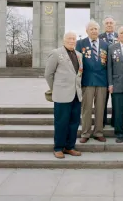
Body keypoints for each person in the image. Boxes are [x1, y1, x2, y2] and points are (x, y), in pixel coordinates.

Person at [44, 31, 83, 159]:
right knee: (61, 122)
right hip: (62, 95)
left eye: (74, 38)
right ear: (64, 40)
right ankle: (58, 147)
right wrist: (54, 88)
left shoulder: (78, 55)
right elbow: (48, 74)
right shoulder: (56, 53)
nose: (72, 41)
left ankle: (70, 146)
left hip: (76, 95)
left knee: (74, 122)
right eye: (69, 38)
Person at [76, 19, 108, 143]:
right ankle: (85, 133)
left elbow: (108, 64)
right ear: (87, 31)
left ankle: (98, 132)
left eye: (96, 29)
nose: (94, 31)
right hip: (87, 81)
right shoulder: (80, 43)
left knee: (100, 109)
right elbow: (77, 62)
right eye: (91, 29)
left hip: (102, 81)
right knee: (86, 109)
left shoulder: (105, 45)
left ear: (99, 31)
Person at [99, 15, 118, 127]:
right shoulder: (99, 37)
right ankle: (102, 121)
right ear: (104, 25)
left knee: (116, 100)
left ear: (115, 24)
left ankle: (115, 121)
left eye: (111, 23)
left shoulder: (119, 36)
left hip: (116, 73)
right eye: (107, 23)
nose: (109, 25)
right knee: (102, 100)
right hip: (103, 73)